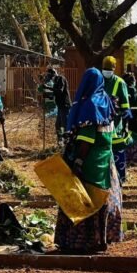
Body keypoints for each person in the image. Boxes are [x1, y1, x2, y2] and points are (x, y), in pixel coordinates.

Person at [54, 67, 123, 253]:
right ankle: (102, 240)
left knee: (83, 198)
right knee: (104, 198)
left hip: (90, 160)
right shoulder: (107, 101)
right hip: (106, 160)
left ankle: (82, 242)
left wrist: (78, 162)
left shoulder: (89, 105)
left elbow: (86, 140)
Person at [102, 56, 132, 182]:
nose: (107, 71)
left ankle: (119, 178)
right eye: (105, 69)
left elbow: (125, 105)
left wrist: (125, 115)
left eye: (109, 69)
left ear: (114, 68)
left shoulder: (120, 82)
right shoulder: (99, 80)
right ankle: (110, 178)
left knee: (116, 149)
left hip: (115, 123)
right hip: (102, 122)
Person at [40, 67, 71, 145]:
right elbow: (54, 94)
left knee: (65, 125)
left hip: (65, 105)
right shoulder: (55, 82)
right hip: (60, 106)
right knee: (58, 125)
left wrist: (48, 88)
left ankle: (67, 142)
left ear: (53, 73)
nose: (49, 77)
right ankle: (60, 142)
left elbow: (60, 91)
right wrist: (46, 95)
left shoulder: (60, 78)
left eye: (50, 75)